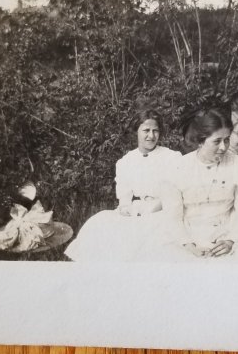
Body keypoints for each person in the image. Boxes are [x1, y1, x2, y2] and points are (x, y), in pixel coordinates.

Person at [148, 107, 238, 265]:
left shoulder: (236, 164)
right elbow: (173, 217)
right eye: (217, 141)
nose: (223, 147)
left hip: (228, 233)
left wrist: (231, 240)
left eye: (227, 140)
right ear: (201, 141)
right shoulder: (179, 168)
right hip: (188, 235)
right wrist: (188, 245)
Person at [64, 109, 181, 261]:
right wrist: (126, 208)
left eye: (155, 131)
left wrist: (152, 209)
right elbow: (124, 198)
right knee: (99, 223)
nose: (151, 136)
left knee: (149, 237)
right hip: (135, 210)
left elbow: (174, 193)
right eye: (146, 130)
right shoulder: (126, 161)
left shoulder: (171, 158)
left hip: (161, 209)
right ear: (136, 132)